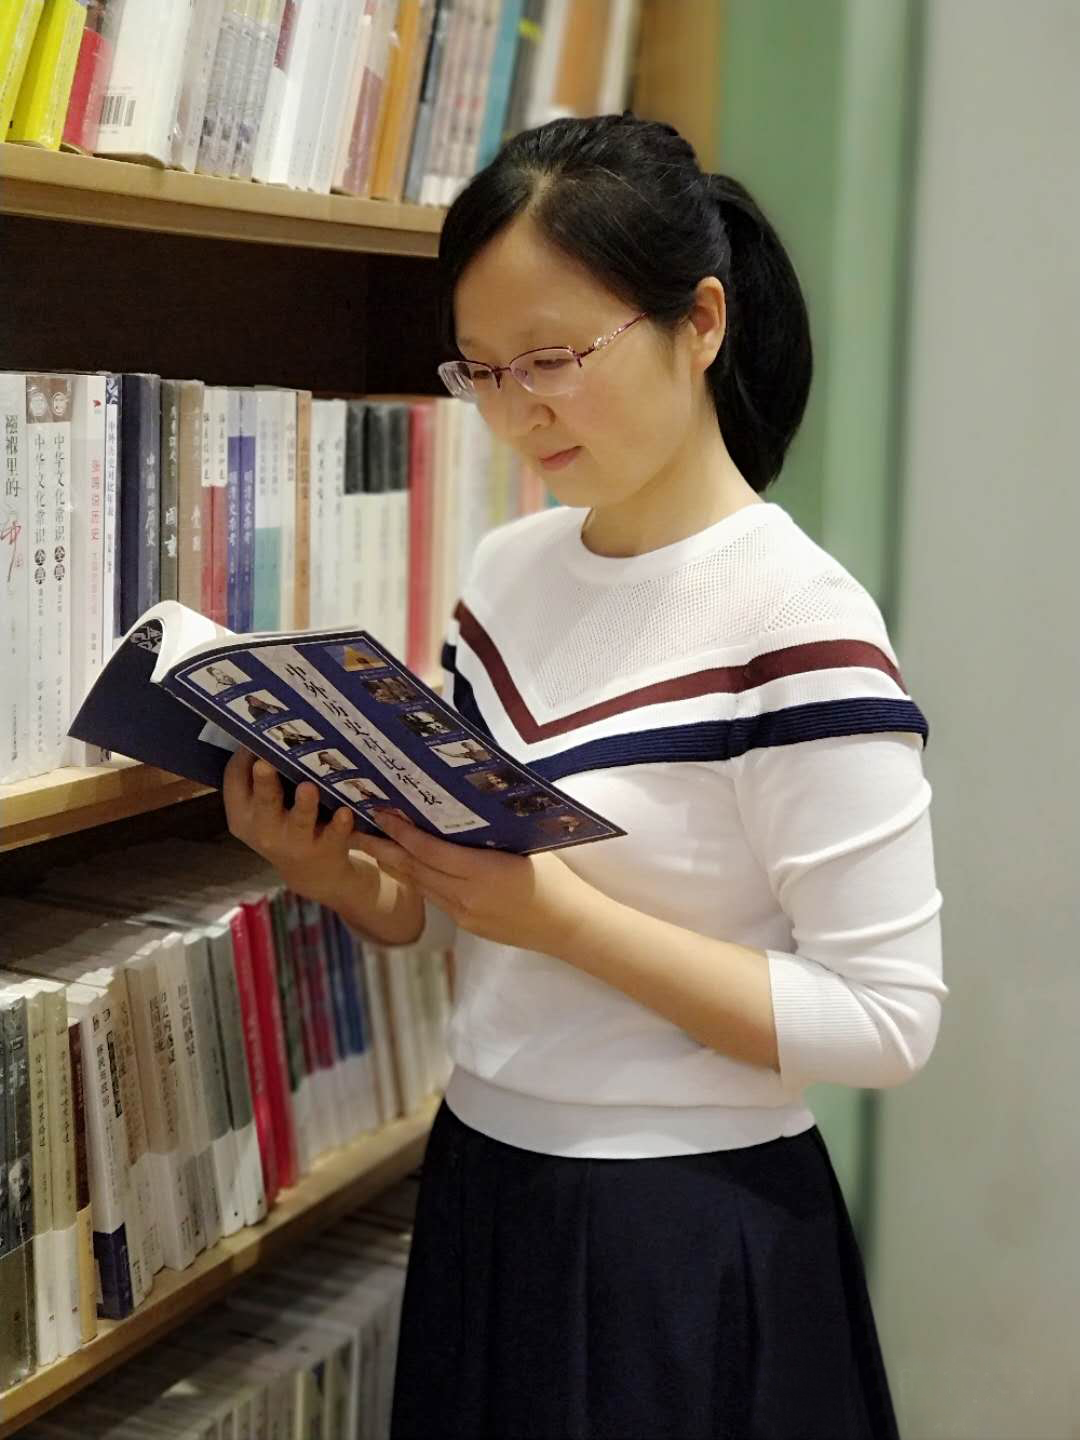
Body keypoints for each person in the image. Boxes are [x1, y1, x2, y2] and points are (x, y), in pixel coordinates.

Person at [223, 112, 948, 1439]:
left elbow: (886, 1020)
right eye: (485, 371)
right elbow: (455, 898)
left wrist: (563, 920)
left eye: (554, 358)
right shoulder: (508, 573)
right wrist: (342, 876)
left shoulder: (800, 621)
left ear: (701, 321)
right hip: (485, 1177)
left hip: (681, 1223)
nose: (519, 411)